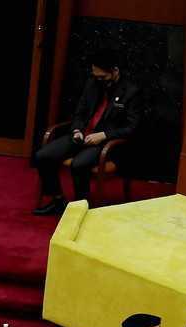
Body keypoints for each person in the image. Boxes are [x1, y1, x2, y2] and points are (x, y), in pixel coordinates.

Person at [33, 49, 140, 216]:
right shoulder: (92, 83)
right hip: (82, 136)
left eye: (102, 77)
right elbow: (79, 113)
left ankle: (82, 209)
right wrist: (76, 130)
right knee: (43, 156)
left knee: (79, 164)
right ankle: (58, 200)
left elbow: (131, 128)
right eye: (96, 76)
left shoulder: (131, 92)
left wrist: (103, 135)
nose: (99, 80)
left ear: (115, 71)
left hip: (106, 143)